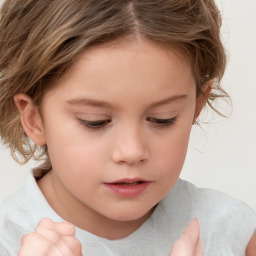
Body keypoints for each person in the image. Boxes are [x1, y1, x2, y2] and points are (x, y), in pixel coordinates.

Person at [0, 0, 255, 255]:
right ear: (34, 118)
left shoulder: (232, 232)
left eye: (162, 118)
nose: (131, 152)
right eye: (95, 121)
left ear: (197, 105)